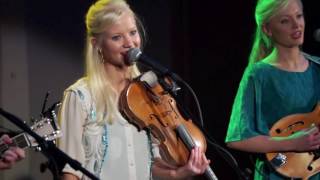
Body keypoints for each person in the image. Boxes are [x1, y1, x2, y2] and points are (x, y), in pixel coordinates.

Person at [58, 0, 210, 179]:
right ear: (96, 44)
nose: (130, 43)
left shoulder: (148, 93)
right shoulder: (80, 96)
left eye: (133, 32)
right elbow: (69, 171)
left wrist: (179, 173)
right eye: (117, 37)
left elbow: (149, 164)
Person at [225, 0, 320, 179]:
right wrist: (293, 143)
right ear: (267, 29)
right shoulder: (259, 74)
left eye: (299, 16)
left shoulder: (317, 67)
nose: (297, 24)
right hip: (279, 169)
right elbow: (238, 139)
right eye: (285, 21)